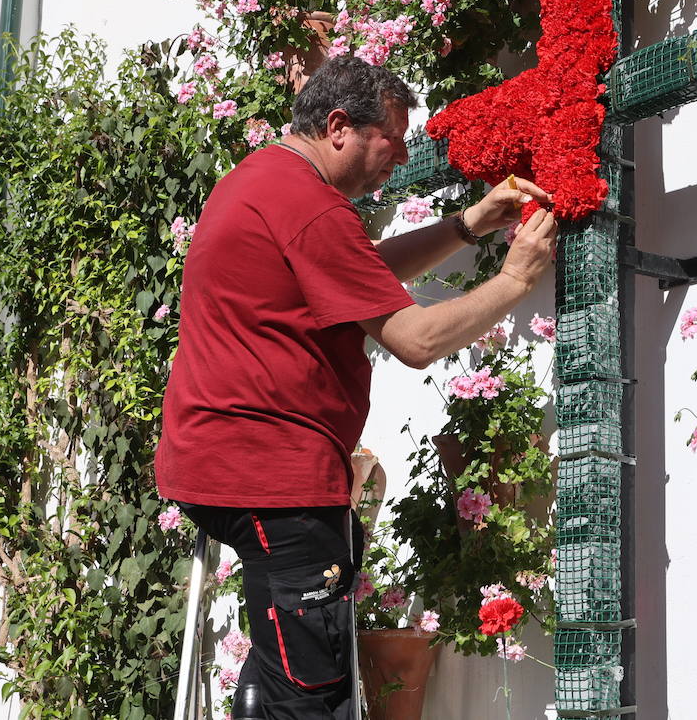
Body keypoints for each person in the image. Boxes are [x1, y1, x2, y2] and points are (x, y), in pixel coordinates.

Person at [155, 55, 556, 719]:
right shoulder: (310, 207)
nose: (402, 156)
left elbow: (357, 270)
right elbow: (416, 340)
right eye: (391, 140)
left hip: (216, 466)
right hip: (272, 480)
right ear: (340, 126)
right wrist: (514, 282)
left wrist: (467, 225)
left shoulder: (266, 181)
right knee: (312, 696)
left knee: (285, 668)